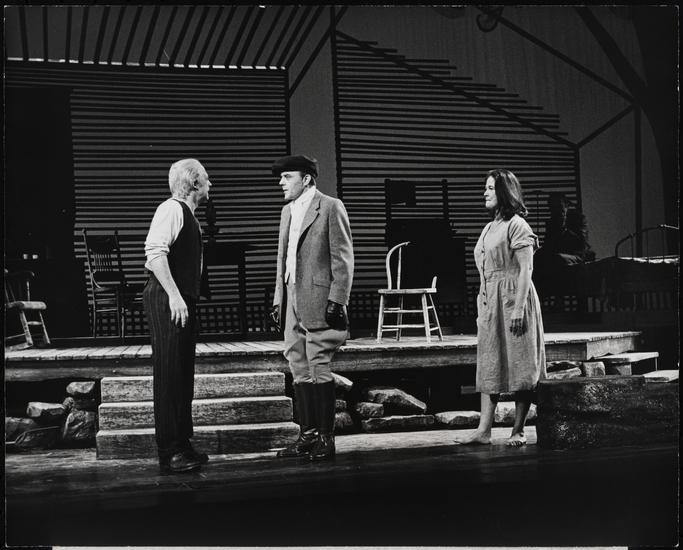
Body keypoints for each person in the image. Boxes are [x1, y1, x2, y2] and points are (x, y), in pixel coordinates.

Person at [270, 155, 354, 462]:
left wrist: (338, 299)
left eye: (287, 177)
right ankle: (307, 435)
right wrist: (278, 298)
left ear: (306, 179)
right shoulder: (287, 211)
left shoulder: (330, 206)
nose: (281, 182)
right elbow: (282, 258)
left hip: (318, 296)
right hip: (292, 294)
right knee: (297, 362)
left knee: (318, 362)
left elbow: (343, 258)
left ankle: (326, 438)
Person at [455, 169, 546, 447]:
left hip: (514, 298)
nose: (484, 192)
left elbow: (526, 269)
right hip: (491, 302)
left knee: (520, 362)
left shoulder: (518, 225)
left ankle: (518, 430)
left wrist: (518, 308)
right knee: (489, 362)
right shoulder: (489, 227)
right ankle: (483, 431)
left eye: (491, 188)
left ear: (504, 192)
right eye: (485, 188)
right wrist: (482, 307)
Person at [143, 158, 212, 473]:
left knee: (182, 373)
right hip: (167, 298)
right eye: (207, 178)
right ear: (195, 183)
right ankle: (170, 451)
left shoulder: (188, 215)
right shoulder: (171, 209)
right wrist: (174, 295)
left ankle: (182, 445)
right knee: (170, 372)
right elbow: (155, 253)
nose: (210, 184)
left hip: (180, 298)